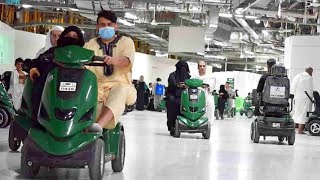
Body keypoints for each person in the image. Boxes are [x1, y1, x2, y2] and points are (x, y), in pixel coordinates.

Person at [84, 10, 137, 130]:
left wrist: (113, 60)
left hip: (122, 86)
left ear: (115, 26)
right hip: (97, 88)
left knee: (120, 91)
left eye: (109, 24)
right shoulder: (89, 45)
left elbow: (127, 61)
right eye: (102, 25)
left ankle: (98, 126)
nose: (106, 27)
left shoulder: (126, 42)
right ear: (97, 27)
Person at [29, 26, 85, 125]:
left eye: (74, 36)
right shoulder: (53, 51)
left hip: (77, 85)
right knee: (39, 88)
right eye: (68, 35)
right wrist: (33, 68)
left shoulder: (84, 53)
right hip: (52, 83)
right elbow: (37, 61)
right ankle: (37, 122)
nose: (71, 38)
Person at [166, 61, 191, 135]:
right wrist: (178, 85)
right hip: (174, 96)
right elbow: (172, 85)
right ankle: (172, 126)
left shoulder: (189, 77)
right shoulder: (172, 75)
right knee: (172, 105)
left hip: (185, 97)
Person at [291, 67, 314, 134]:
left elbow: (293, 87)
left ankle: (292, 129)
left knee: (296, 113)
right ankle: (300, 130)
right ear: (309, 71)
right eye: (311, 72)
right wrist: (311, 98)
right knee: (303, 115)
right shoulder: (309, 78)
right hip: (305, 99)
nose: (312, 73)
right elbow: (310, 90)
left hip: (297, 98)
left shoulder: (297, 76)